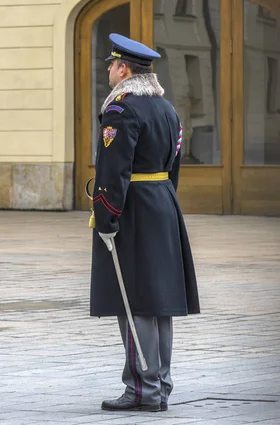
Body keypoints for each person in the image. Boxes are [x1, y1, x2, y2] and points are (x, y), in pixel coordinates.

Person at [88, 33, 200, 412]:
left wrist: (105, 216)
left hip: (134, 209)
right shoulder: (167, 108)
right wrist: (162, 203)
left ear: (123, 69)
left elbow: (113, 169)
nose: (108, 70)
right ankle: (159, 384)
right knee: (158, 302)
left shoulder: (120, 110)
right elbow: (174, 168)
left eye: (111, 64)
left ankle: (143, 389)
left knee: (134, 300)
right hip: (162, 205)